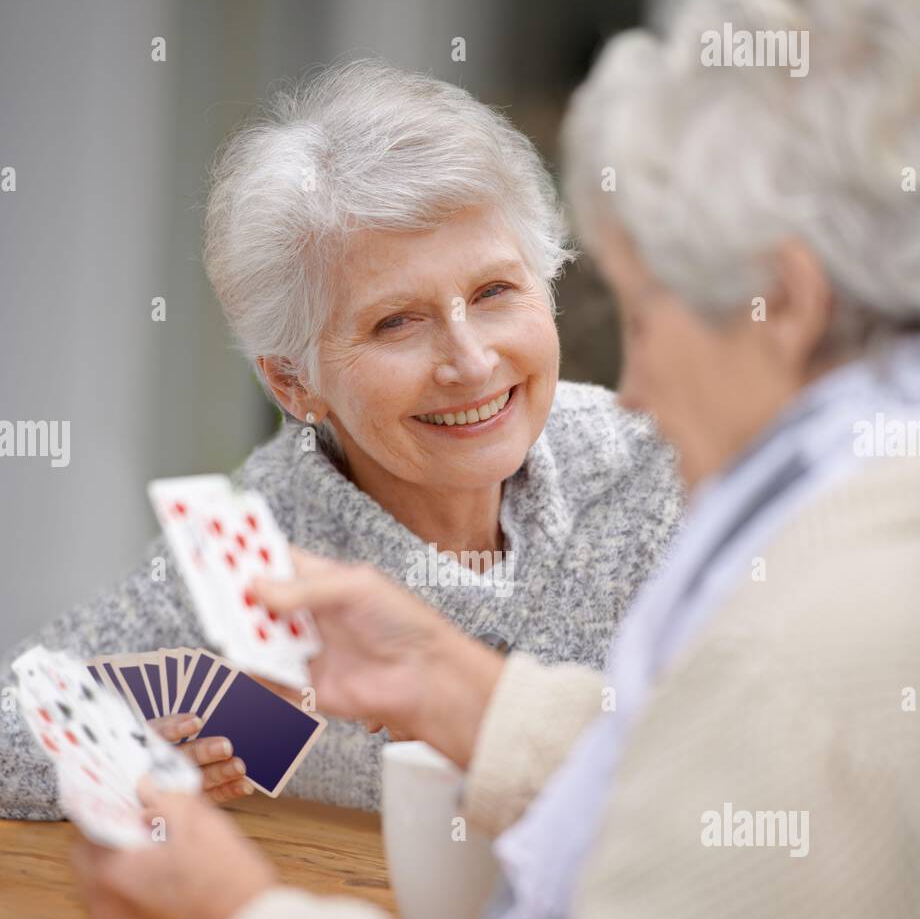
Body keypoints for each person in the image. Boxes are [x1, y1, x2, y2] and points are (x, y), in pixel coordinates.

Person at [73, 0, 920, 919]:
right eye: (396, 323)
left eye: (634, 308)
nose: (622, 387)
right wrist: (485, 704)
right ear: (293, 382)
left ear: (782, 304)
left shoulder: (801, 626)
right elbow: (741, 787)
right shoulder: (860, 516)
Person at [0, 60, 680, 818]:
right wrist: (119, 757)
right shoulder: (262, 540)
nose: (472, 361)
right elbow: (11, 722)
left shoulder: (659, 467)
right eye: (397, 322)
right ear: (294, 383)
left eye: (494, 292)